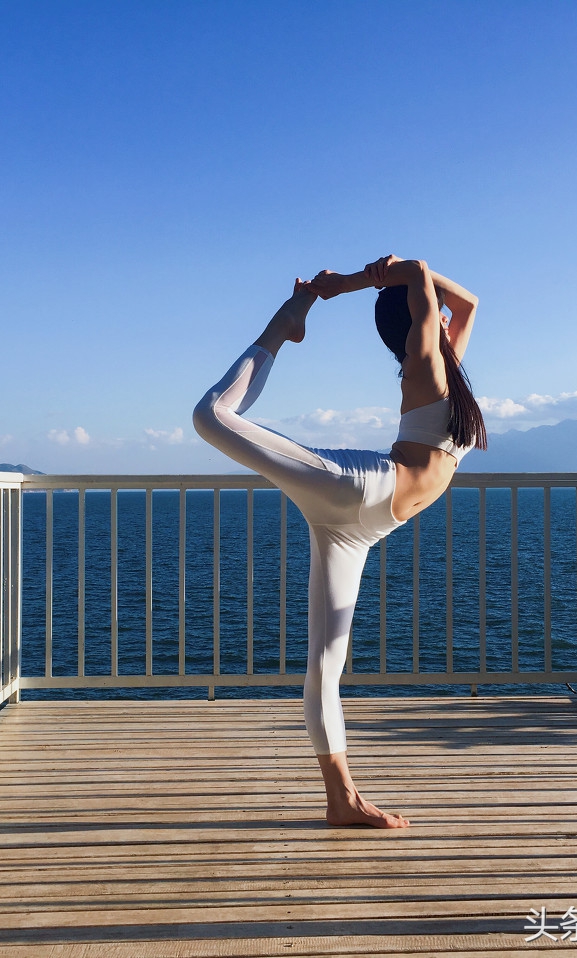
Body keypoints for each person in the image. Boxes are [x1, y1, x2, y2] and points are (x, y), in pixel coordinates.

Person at [192, 255, 486, 828]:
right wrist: (352, 284)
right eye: (435, 315)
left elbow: (466, 301)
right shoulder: (423, 363)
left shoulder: (446, 367)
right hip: (355, 489)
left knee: (326, 664)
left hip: (366, 526)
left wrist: (358, 284)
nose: (449, 320)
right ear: (422, 321)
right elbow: (422, 273)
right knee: (210, 416)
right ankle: (284, 326)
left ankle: (341, 800)